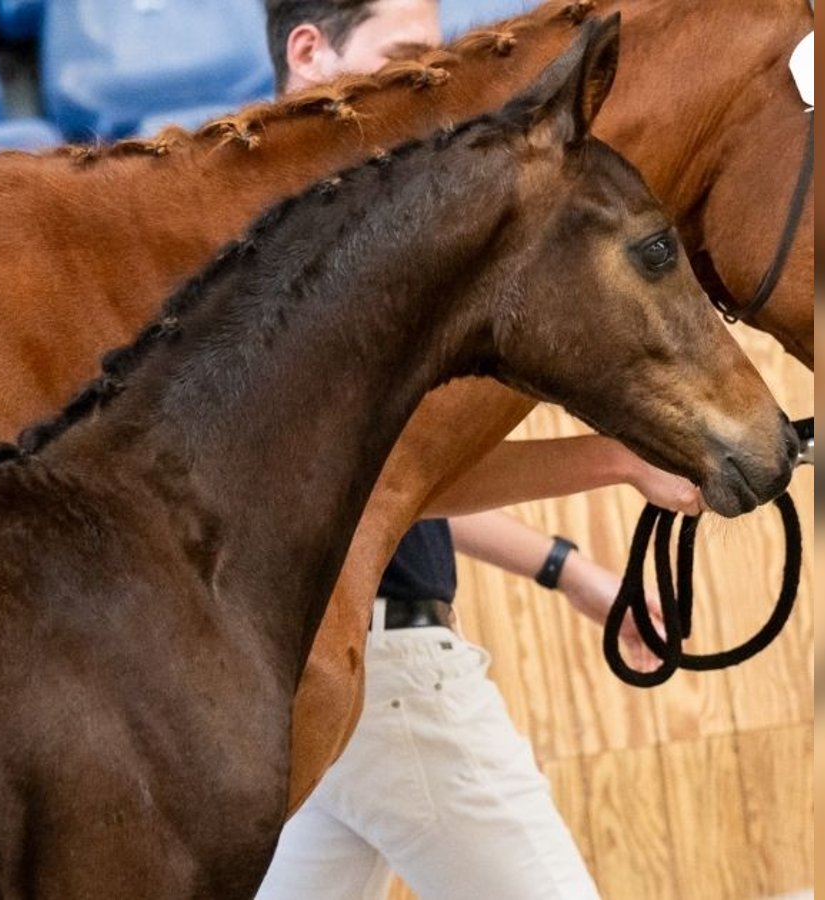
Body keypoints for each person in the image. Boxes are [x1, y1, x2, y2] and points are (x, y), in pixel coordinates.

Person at [255, 2, 703, 898]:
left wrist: (569, 569)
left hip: (321, 679)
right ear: (310, 52)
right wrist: (617, 457)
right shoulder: (314, 248)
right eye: (407, 60)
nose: (436, 89)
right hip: (387, 673)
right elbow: (395, 483)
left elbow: (402, 486)